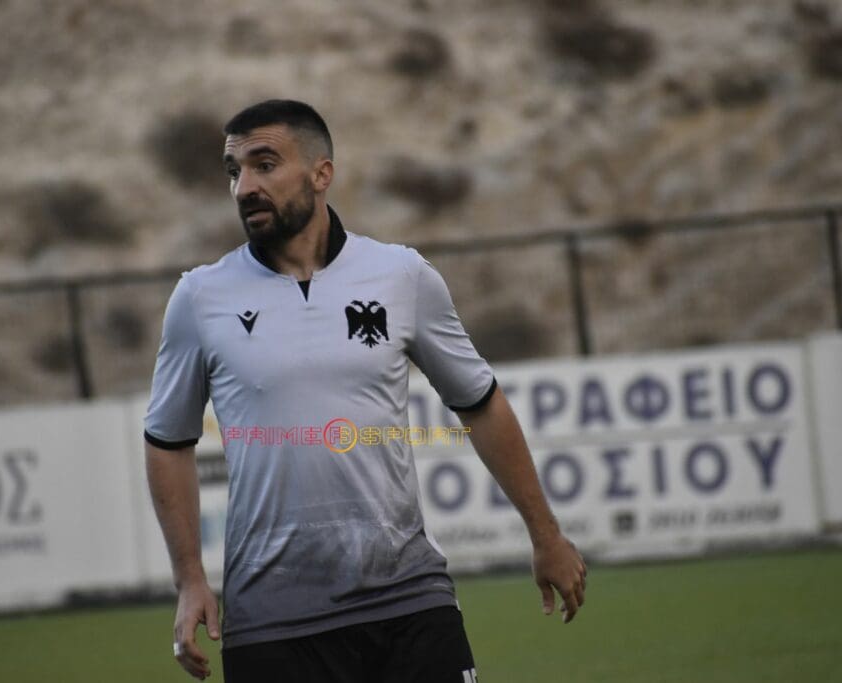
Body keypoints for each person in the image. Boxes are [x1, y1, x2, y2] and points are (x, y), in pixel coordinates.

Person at [144, 99, 587, 682]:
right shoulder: (200, 297)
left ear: (321, 173)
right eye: (234, 171)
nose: (245, 187)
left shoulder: (401, 276)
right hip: (272, 620)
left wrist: (545, 535)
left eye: (264, 165)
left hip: (409, 600)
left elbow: (481, 406)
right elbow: (167, 441)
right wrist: (189, 580)